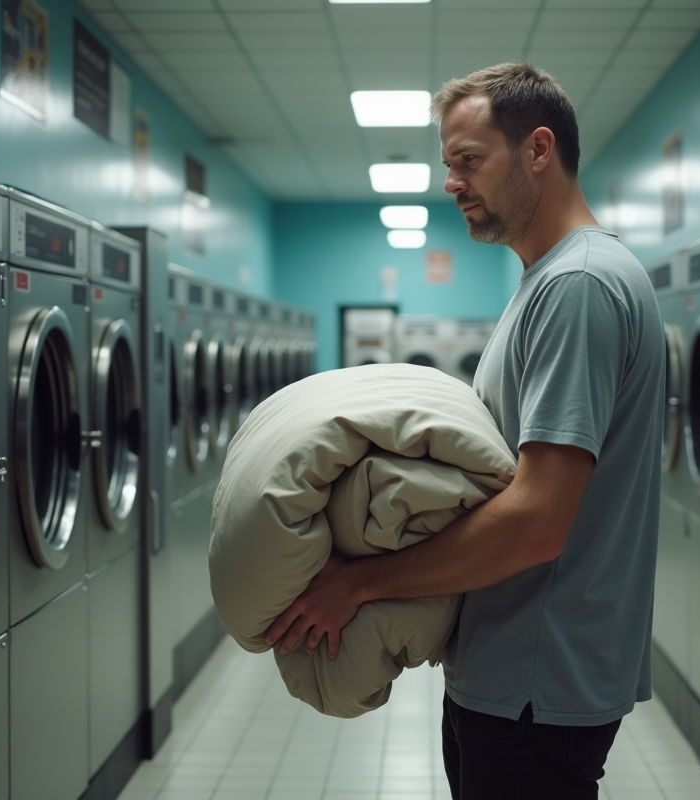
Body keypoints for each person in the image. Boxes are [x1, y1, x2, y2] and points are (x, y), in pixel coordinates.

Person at [264, 62, 665, 799]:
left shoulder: (577, 287)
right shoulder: (546, 281)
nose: (452, 182)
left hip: (536, 678)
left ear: (538, 150)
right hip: (520, 667)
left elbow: (537, 521)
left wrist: (357, 584)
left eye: (469, 161)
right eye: (448, 164)